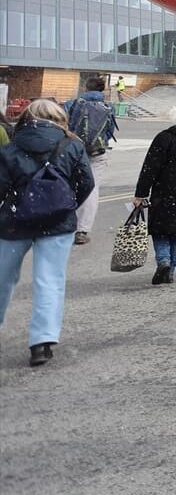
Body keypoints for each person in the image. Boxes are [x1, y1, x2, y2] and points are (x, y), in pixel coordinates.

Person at [0, 99, 96, 367]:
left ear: (27, 118)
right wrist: (65, 205)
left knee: (3, 278)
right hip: (57, 223)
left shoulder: (11, 147)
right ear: (58, 118)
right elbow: (86, 182)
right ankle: (41, 343)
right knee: (49, 280)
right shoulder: (72, 144)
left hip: (14, 221)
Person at [132, 102, 176, 284]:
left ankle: (163, 260)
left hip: (164, 191)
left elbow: (149, 168)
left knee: (160, 229)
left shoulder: (164, 138)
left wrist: (141, 193)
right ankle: (171, 269)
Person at [65, 76, 118, 245]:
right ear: (102, 90)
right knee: (92, 189)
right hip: (98, 152)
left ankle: (65, 225)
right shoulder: (108, 107)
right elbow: (109, 132)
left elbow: (68, 126)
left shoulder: (74, 104)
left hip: (75, 150)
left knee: (69, 185)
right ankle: (82, 230)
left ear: (85, 88)